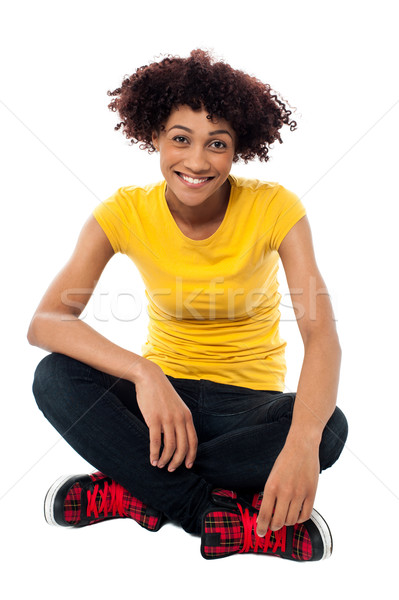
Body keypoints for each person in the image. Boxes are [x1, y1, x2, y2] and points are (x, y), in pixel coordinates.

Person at [28, 48, 348, 562]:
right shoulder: (123, 212)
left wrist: (300, 447)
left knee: (328, 427)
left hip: (246, 406)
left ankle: (136, 489)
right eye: (181, 139)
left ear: (237, 149)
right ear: (153, 136)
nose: (197, 162)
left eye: (217, 144)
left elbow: (321, 337)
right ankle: (216, 518)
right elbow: (46, 321)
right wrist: (145, 376)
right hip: (160, 407)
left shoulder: (275, 209)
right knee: (54, 378)